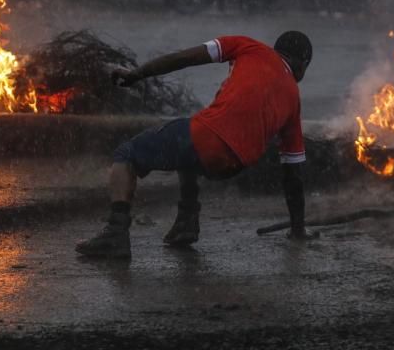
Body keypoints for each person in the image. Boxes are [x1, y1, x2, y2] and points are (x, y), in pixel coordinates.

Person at [76, 31, 316, 259]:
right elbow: (293, 175)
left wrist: (137, 74)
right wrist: (298, 228)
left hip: (206, 139)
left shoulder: (248, 46)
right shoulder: (294, 100)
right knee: (189, 145)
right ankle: (186, 222)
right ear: (303, 64)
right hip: (233, 164)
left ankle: (115, 233)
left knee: (126, 153)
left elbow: (185, 58)